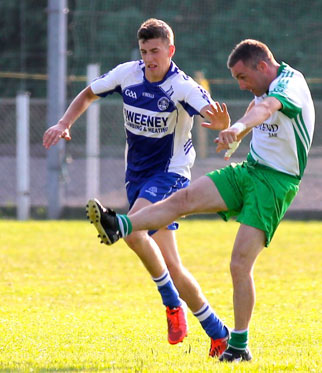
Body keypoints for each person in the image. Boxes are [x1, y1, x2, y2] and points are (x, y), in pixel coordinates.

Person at [86, 39, 315, 362]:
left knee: (239, 264)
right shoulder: (264, 88)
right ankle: (120, 224)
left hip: (275, 184)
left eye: (242, 77)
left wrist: (236, 129)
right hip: (249, 171)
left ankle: (238, 345)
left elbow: (265, 109)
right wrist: (238, 138)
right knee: (185, 198)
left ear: (262, 66)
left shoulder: (290, 84)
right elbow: (256, 107)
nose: (241, 85)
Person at [44, 18, 229, 356]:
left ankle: (171, 303)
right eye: (144, 51)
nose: (149, 58)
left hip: (171, 174)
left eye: (155, 51)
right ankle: (218, 331)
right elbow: (88, 93)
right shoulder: (127, 74)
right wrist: (63, 123)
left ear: (170, 50)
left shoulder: (181, 86)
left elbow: (209, 109)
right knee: (172, 264)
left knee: (131, 230)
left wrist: (219, 122)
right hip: (138, 176)